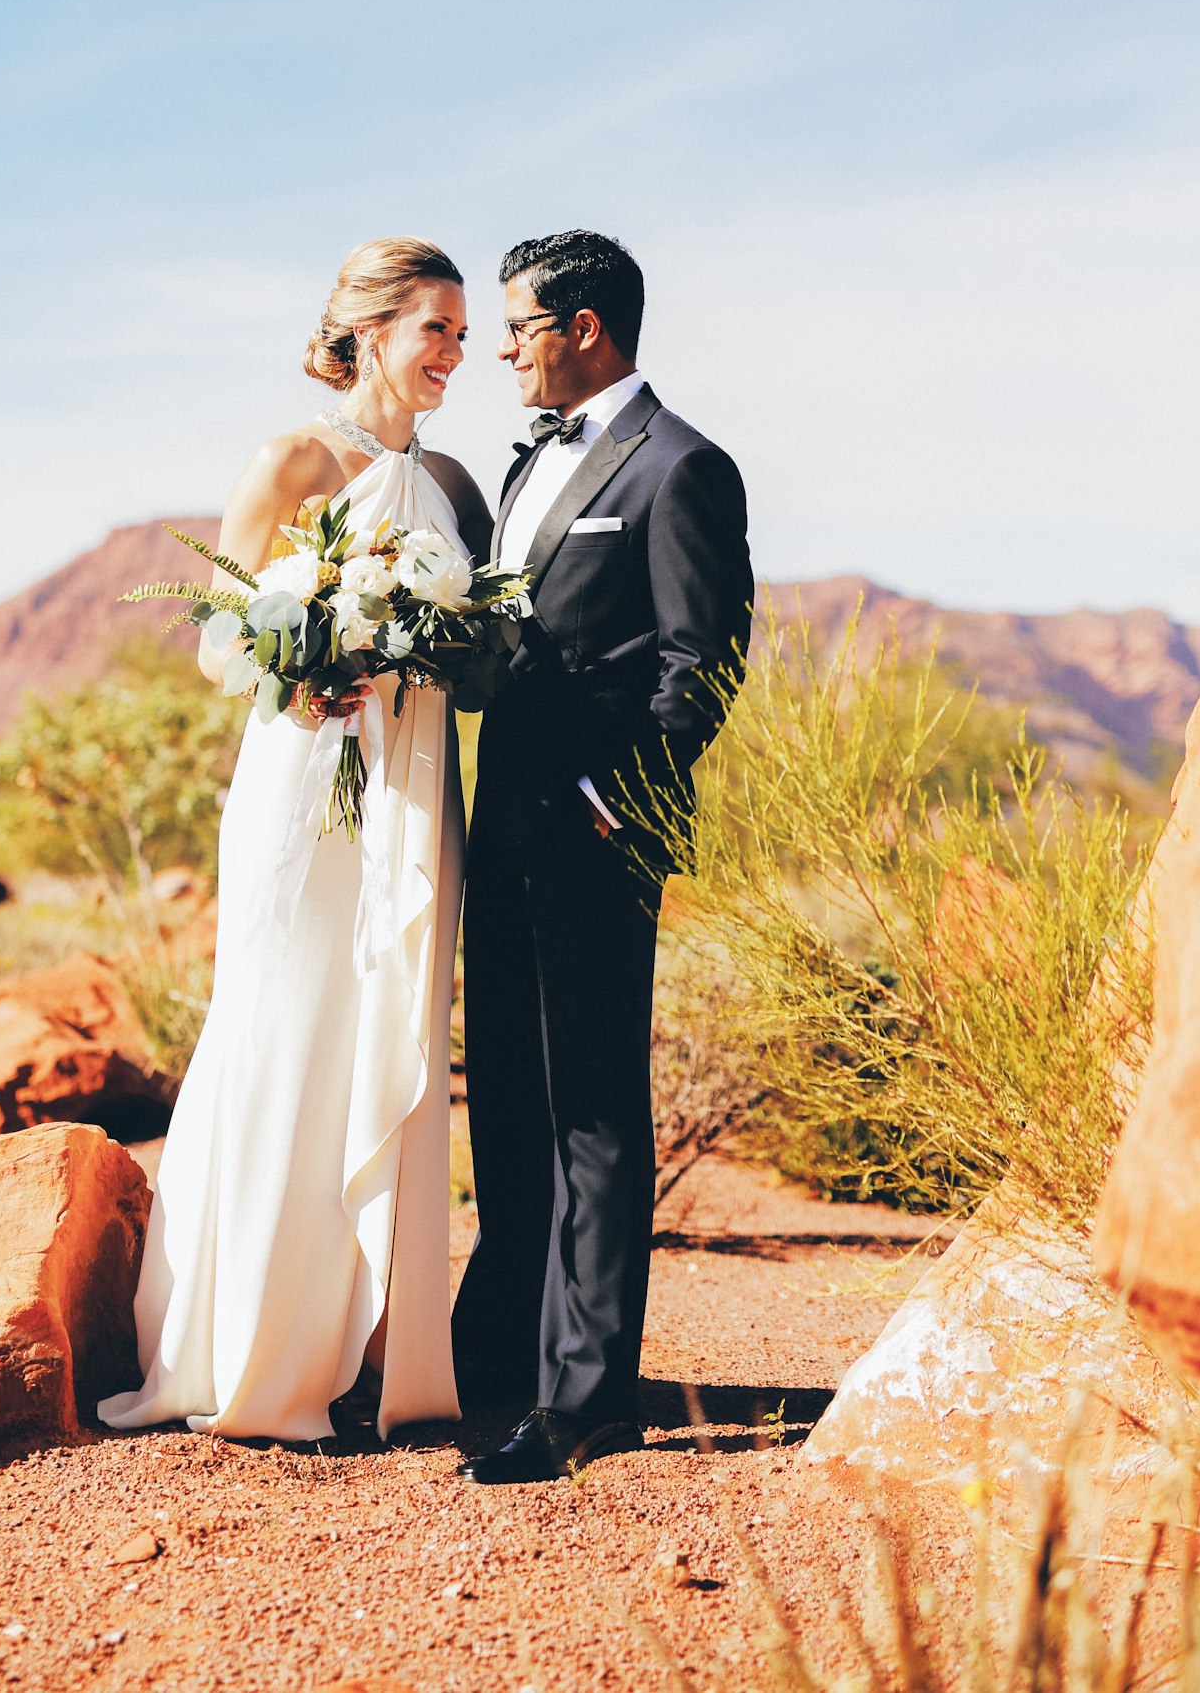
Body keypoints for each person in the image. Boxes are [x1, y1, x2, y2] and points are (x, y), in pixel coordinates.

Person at [100, 237, 491, 1444]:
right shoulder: (294, 460)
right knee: (287, 1024)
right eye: (438, 330)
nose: (456, 356)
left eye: (467, 337)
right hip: (304, 780)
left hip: (413, 786)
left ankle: (376, 1350)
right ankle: (247, 1349)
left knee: (388, 1029)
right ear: (368, 330)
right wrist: (304, 657)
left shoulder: (454, 483)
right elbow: (220, 641)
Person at [451, 229, 753, 1483]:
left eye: (518, 326)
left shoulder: (683, 466)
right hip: (495, 835)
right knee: (510, 1104)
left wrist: (606, 803)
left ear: (584, 328)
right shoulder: (524, 464)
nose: (503, 350)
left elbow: (705, 664)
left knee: (593, 1116)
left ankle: (585, 1400)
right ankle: (502, 1372)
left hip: (593, 838)